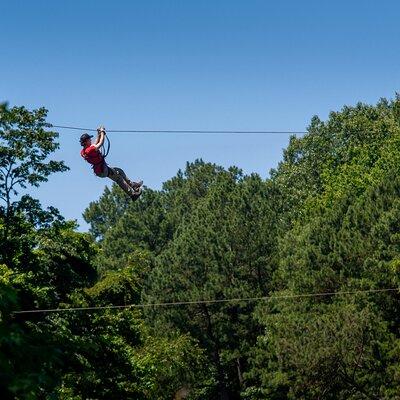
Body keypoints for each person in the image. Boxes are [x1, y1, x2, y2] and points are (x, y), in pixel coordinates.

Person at [80, 126, 143, 200]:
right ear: (86, 141)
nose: (91, 140)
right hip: (102, 170)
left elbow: (95, 144)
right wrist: (103, 132)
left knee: (119, 171)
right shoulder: (89, 150)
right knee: (119, 179)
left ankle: (133, 185)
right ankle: (133, 195)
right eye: (89, 139)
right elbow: (100, 143)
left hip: (101, 169)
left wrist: (98, 133)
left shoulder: (84, 151)